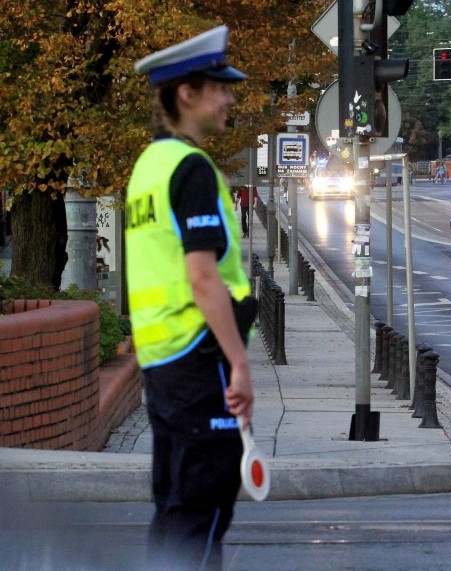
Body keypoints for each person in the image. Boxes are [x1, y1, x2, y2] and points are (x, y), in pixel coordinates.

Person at [126, 25, 256, 570]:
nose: (229, 99)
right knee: (201, 512)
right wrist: (239, 361)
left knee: (176, 507)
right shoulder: (192, 169)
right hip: (201, 360)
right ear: (187, 93)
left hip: (163, 363)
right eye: (219, 87)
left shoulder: (148, 168)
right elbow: (203, 276)